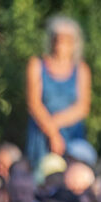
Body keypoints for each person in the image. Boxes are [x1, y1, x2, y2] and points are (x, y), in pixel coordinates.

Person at [24, 16, 91, 166]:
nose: (61, 44)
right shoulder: (36, 64)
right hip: (42, 132)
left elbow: (82, 107)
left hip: (71, 132)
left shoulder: (81, 69)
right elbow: (33, 103)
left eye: (67, 40)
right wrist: (53, 133)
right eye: (58, 38)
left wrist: (54, 126)